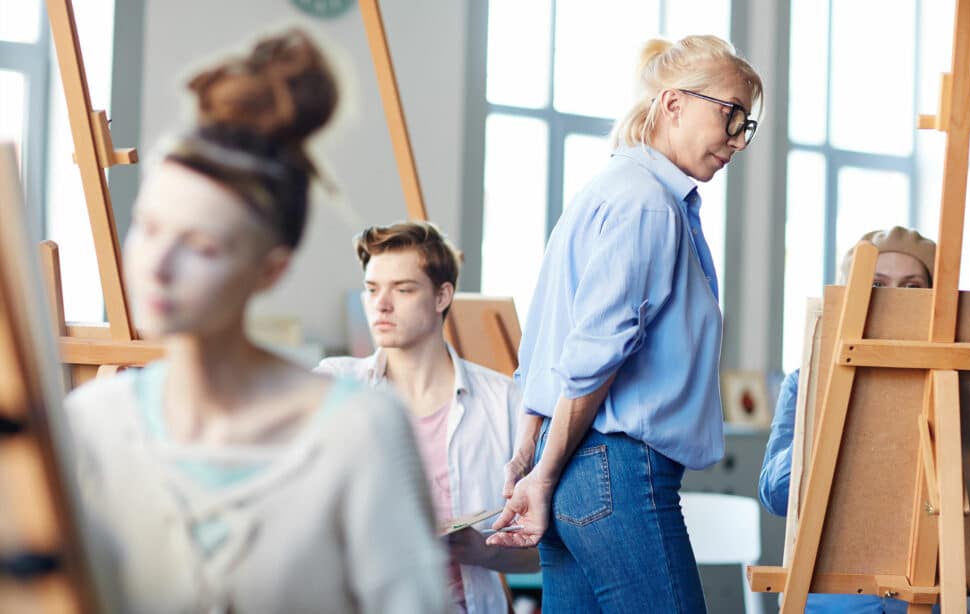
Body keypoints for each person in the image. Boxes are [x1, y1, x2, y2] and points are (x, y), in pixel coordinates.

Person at [63, 30, 449, 614]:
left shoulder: (359, 435)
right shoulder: (91, 423)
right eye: (149, 227)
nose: (156, 266)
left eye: (202, 246)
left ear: (270, 270)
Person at [487, 35, 763, 612]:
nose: (738, 140)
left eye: (747, 125)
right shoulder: (647, 204)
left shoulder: (611, 191)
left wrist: (531, 457)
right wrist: (536, 472)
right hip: (617, 469)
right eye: (730, 115)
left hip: (573, 467)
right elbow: (592, 356)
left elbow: (547, 348)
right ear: (673, 104)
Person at [759, 226, 970, 614]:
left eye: (912, 287)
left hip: (942, 593)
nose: (894, 299)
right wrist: (835, 415)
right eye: (877, 284)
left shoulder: (966, 379)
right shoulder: (806, 379)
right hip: (834, 599)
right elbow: (775, 494)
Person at [316, 221, 540, 614]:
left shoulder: (505, 401)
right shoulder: (334, 385)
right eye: (372, 290)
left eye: (402, 289)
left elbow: (543, 551)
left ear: (442, 296)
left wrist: (482, 552)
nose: (381, 305)